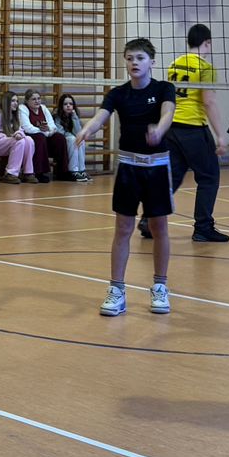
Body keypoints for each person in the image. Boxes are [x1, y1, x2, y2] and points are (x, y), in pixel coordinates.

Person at [73, 40, 176, 316]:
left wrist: (159, 130)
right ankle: (117, 290)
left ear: (152, 62)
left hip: (157, 166)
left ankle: (160, 287)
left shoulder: (164, 89)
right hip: (129, 167)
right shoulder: (118, 94)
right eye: (130, 58)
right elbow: (101, 116)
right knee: (123, 228)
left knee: (159, 228)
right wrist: (87, 130)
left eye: (140, 58)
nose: (134, 63)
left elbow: (168, 113)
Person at [140, 23, 229, 243]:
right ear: (208, 43)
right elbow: (208, 102)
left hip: (172, 127)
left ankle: (148, 219)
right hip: (193, 127)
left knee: (173, 176)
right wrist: (220, 135)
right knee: (209, 177)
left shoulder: (175, 63)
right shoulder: (205, 67)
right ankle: (203, 228)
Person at [0, 93, 36, 182]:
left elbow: (20, 130)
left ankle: (28, 172)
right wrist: (1, 135)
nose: (16, 103)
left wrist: (19, 133)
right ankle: (10, 173)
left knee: (29, 140)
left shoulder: (14, 115)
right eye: (13, 101)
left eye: (17, 101)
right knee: (18, 141)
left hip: (7, 142)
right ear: (6, 102)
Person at [20, 89, 72, 181]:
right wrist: (43, 131)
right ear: (27, 101)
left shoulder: (43, 108)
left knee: (59, 138)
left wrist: (48, 131)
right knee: (40, 137)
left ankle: (62, 172)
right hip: (31, 138)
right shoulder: (23, 108)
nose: (37, 101)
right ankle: (39, 172)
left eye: (38, 98)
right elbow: (27, 127)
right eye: (34, 99)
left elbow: (53, 126)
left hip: (45, 136)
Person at [54, 92, 90, 179]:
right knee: (72, 139)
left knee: (80, 140)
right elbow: (60, 132)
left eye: (70, 104)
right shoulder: (56, 116)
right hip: (61, 141)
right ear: (61, 106)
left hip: (71, 139)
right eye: (65, 104)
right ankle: (73, 170)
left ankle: (81, 170)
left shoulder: (74, 115)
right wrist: (72, 136)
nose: (68, 106)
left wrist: (74, 117)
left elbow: (78, 132)